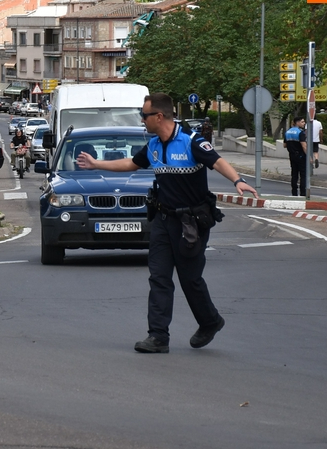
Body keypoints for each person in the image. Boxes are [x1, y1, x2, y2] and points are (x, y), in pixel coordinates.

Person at [76, 92, 258, 354]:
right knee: (159, 277)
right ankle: (158, 336)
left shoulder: (190, 141)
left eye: (145, 115)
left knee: (190, 279)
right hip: (163, 219)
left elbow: (216, 161)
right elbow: (132, 163)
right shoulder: (152, 145)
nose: (142, 119)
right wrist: (97, 164)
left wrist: (237, 180)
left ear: (159, 116)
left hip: (191, 223)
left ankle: (210, 321)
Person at [284, 117, 307, 196]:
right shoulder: (301, 132)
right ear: (297, 123)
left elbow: (284, 145)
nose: (304, 123)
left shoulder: (287, 132)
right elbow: (304, 146)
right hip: (301, 156)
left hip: (292, 155)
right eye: (302, 122)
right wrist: (309, 156)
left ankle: (294, 192)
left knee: (294, 174)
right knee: (303, 175)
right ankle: (303, 192)